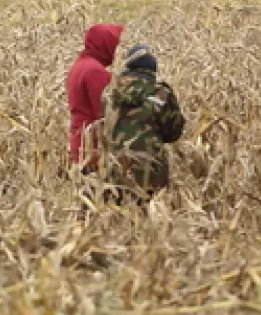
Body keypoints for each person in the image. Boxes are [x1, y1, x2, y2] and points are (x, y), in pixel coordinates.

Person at [104, 44, 186, 205]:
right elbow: (173, 133)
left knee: (117, 218)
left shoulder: (111, 92)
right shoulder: (161, 94)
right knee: (148, 218)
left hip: (115, 168)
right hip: (151, 168)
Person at [66, 24, 123, 174]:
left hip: (80, 141)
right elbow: (106, 113)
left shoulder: (79, 66)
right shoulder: (95, 72)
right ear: (105, 44)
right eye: (115, 45)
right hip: (92, 148)